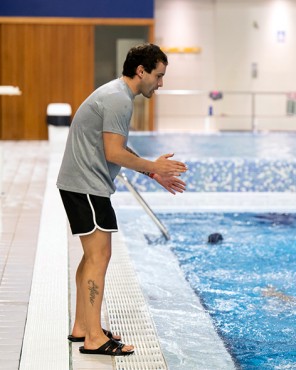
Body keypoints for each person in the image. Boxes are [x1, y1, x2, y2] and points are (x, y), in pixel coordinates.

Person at [57, 44, 187, 356]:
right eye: (158, 75)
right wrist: (154, 166)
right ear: (141, 71)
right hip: (87, 187)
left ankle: (84, 328)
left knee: (92, 257)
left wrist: (153, 173)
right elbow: (112, 153)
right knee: (99, 257)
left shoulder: (115, 94)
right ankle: (93, 339)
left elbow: (118, 148)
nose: (160, 83)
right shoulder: (118, 100)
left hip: (83, 185)